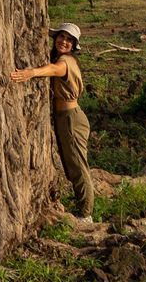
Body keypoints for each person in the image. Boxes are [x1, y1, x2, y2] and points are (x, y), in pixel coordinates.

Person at [10, 22, 94, 224]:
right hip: (64, 118)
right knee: (69, 162)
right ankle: (82, 205)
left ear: (74, 45)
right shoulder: (59, 57)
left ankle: (86, 213)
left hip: (71, 118)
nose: (63, 41)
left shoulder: (66, 61)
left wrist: (31, 73)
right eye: (61, 37)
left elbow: (55, 70)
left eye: (68, 39)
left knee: (77, 165)